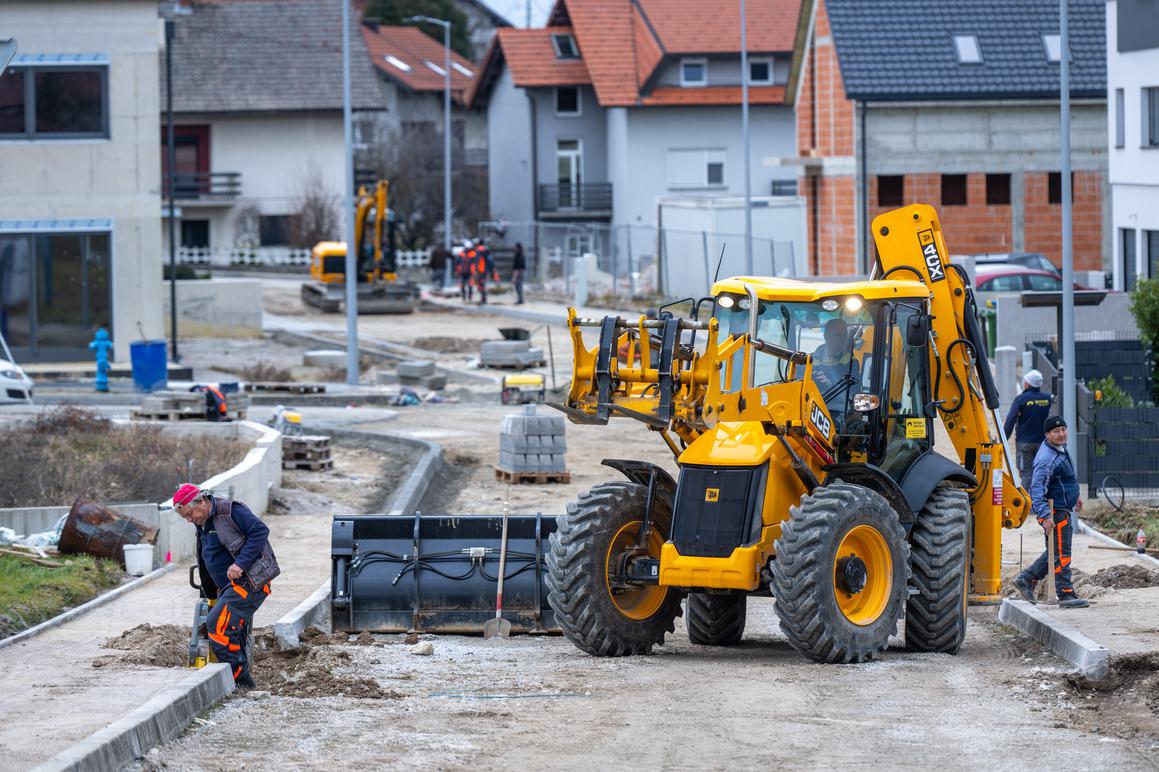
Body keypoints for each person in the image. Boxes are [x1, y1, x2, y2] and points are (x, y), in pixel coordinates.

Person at [174, 483, 281, 688]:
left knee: (218, 626)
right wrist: (210, 588)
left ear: (202, 501)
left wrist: (240, 564)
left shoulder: (230, 511)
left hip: (250, 581)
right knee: (232, 631)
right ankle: (242, 682)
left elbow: (260, 531)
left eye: (190, 514)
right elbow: (209, 557)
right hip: (227, 587)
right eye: (184, 518)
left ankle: (240, 683)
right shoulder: (202, 521)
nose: (189, 520)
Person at [1012, 416, 1088, 608]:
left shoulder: (1059, 449)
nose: (1062, 434)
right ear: (1047, 435)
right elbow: (1036, 490)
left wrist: (1076, 495)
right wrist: (1045, 516)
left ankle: (1026, 579)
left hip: (1063, 507)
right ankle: (1066, 594)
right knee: (1062, 553)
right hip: (1056, 513)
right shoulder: (1046, 459)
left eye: (1063, 429)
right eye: (1056, 431)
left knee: (1055, 551)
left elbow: (1066, 478)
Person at [1003, 369, 1052, 483]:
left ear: (1027, 384)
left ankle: (1028, 500)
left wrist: (1003, 439)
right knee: (1042, 472)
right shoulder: (1047, 399)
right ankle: (1041, 498)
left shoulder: (1021, 399)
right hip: (1043, 443)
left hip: (1024, 443)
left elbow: (1010, 420)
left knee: (1026, 474)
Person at [811, 318, 860, 417]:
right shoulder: (808, 361)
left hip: (840, 413)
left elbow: (853, 395)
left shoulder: (851, 363)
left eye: (844, 335)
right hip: (810, 409)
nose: (842, 338)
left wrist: (829, 383)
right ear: (826, 337)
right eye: (838, 335)